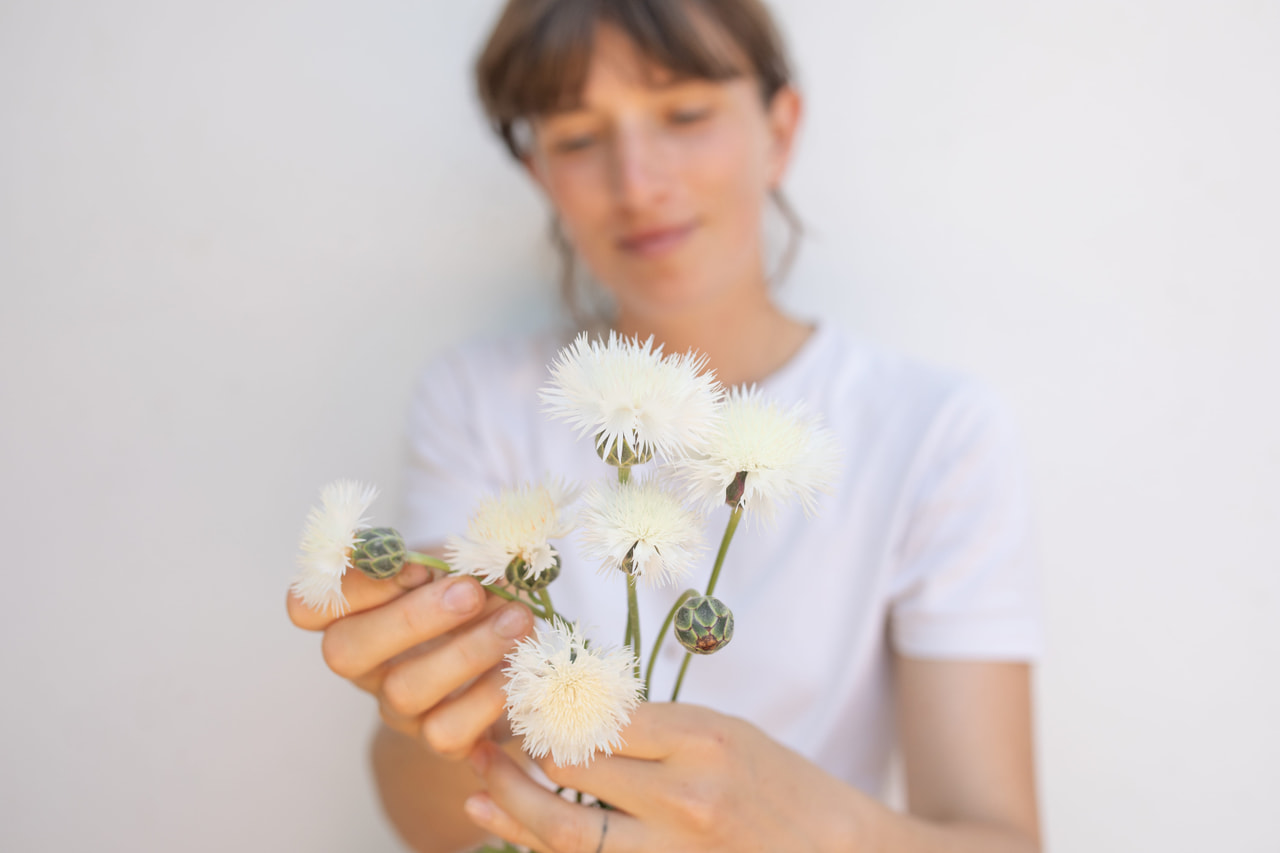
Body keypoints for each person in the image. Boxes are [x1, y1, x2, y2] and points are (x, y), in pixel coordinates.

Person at [288, 1, 1044, 851]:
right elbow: (430, 816)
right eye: (577, 137)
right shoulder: (478, 401)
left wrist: (788, 819)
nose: (639, 182)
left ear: (781, 129)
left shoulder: (933, 431)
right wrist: (427, 707)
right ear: (539, 171)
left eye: (686, 115)